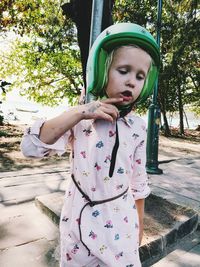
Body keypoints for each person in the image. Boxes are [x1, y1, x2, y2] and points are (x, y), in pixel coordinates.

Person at [21, 22, 160, 267]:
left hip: (121, 227)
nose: (131, 82)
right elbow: (30, 148)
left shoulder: (137, 127)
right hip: (79, 224)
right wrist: (82, 111)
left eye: (140, 76)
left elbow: (138, 183)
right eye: (123, 70)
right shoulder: (80, 117)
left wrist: (138, 226)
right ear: (102, 69)